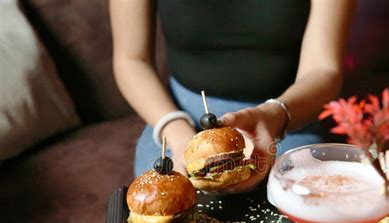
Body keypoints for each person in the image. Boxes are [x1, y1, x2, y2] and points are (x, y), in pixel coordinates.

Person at [110, 0, 355, 193]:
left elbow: (324, 69)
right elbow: (131, 60)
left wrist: (275, 115)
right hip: (172, 117)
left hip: (289, 117)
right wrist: (177, 133)